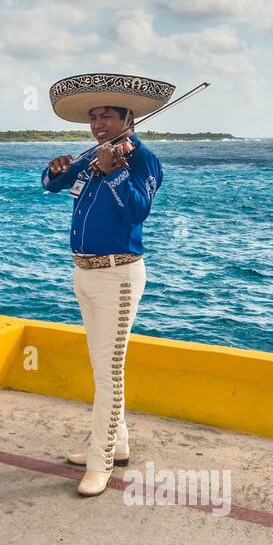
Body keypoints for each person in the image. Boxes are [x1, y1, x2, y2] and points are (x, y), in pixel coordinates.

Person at [42, 73, 171, 496]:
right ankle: (117, 446)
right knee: (101, 368)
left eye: (108, 117)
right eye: (94, 117)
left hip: (118, 274)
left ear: (128, 119)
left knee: (110, 371)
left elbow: (137, 213)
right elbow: (50, 187)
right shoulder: (93, 154)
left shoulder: (143, 160)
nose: (98, 125)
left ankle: (100, 462)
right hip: (84, 272)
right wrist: (56, 168)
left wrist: (113, 171)